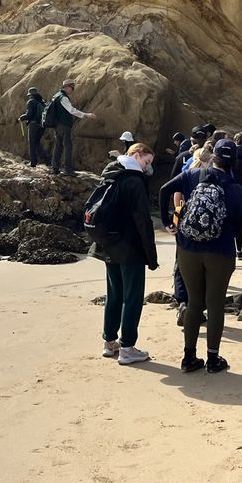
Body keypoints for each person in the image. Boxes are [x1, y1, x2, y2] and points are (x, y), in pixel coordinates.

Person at [159, 139, 242, 374]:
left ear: (214, 156)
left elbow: (164, 190)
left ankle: (189, 357)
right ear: (233, 163)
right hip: (220, 251)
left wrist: (167, 221)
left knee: (194, 302)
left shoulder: (193, 175)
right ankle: (212, 359)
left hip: (188, 248)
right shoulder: (235, 188)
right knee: (215, 304)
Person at [91, 143, 158, 366]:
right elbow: (143, 220)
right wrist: (151, 256)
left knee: (114, 294)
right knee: (133, 298)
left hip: (108, 244)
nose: (147, 167)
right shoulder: (134, 181)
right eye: (146, 162)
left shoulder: (110, 174)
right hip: (130, 248)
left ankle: (109, 341)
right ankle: (127, 348)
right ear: (136, 155)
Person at [48, 80, 96, 176]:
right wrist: (86, 115)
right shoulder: (63, 98)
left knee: (58, 146)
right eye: (72, 88)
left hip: (57, 125)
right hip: (64, 125)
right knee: (68, 147)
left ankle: (55, 168)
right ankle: (68, 170)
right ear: (67, 87)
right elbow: (71, 110)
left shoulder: (56, 95)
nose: (72, 90)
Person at [17, 87, 49, 167]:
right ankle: (46, 159)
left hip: (33, 125)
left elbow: (29, 115)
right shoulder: (42, 102)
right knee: (37, 142)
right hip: (42, 126)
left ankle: (33, 163)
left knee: (32, 144)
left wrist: (22, 117)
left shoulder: (31, 102)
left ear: (30, 95)